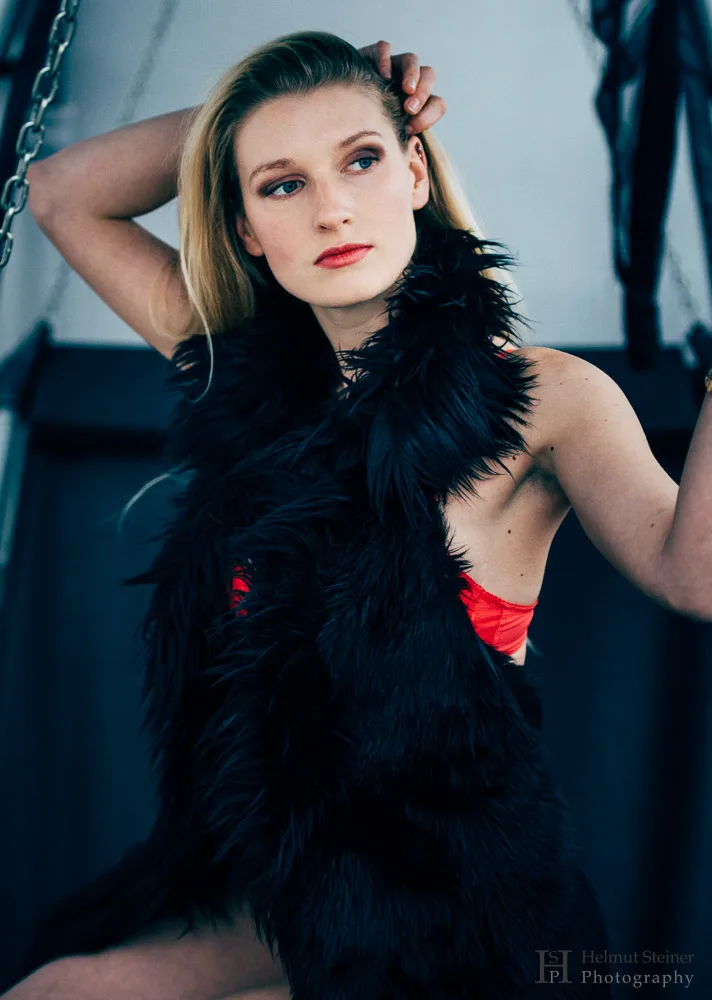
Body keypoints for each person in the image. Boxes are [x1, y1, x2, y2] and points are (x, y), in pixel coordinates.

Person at [6, 27, 711, 1000]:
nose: (332, 205)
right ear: (247, 225)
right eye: (281, 182)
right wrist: (256, 116)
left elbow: (697, 576)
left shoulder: (543, 398)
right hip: (286, 893)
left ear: (413, 171)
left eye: (361, 157)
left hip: (454, 919)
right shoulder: (239, 376)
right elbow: (56, 193)